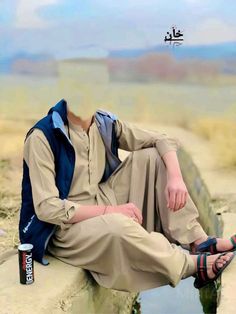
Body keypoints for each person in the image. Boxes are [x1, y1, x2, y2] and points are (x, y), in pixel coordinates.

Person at [19, 98, 235, 292]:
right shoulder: (43, 136)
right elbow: (47, 208)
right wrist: (111, 211)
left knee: (154, 156)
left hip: (101, 198)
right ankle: (191, 266)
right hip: (63, 228)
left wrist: (176, 178)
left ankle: (199, 242)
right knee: (118, 226)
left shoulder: (104, 123)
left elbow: (162, 140)